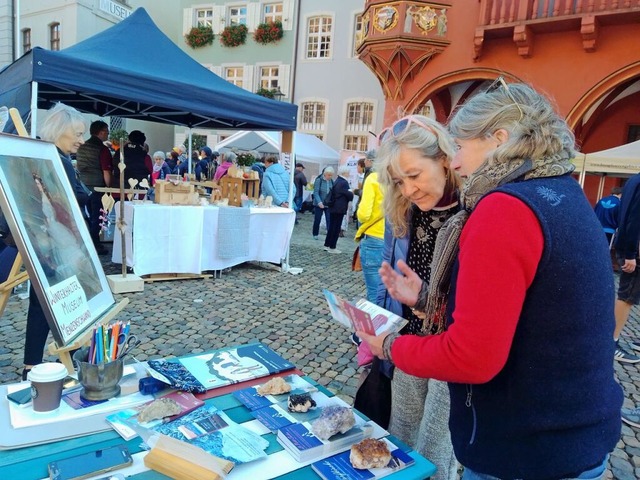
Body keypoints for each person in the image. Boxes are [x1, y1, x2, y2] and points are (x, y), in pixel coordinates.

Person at [359, 80, 623, 479]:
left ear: (499, 138)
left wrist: (390, 346)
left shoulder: (504, 208)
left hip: (526, 446)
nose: (458, 162)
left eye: (461, 147)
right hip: (571, 434)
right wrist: (427, 300)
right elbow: (525, 313)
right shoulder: (562, 191)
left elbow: (472, 356)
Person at [362, 115, 460, 480]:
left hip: (451, 352)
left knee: (435, 452)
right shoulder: (403, 210)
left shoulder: (477, 212)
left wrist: (426, 301)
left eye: (414, 175)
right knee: (399, 437)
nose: (408, 190)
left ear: (445, 160)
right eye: (399, 182)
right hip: (408, 340)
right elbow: (396, 280)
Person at [23, 103, 94, 380]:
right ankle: (67, 361)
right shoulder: (56, 160)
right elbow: (70, 200)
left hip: (45, 241)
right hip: (55, 243)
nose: (82, 139)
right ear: (59, 130)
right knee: (61, 301)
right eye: (77, 132)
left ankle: (31, 365)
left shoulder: (46, 156)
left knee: (40, 303)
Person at [612, 173, 640, 363]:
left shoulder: (633, 180)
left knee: (629, 294)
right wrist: (630, 253)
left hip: (631, 247)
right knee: (627, 296)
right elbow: (634, 218)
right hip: (635, 250)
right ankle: (611, 342)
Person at [75, 120, 111, 254]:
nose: (108, 134)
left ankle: (84, 243)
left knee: (85, 215)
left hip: (82, 185)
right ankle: (95, 245)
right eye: (107, 131)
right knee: (97, 217)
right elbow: (106, 171)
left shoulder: (81, 146)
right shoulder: (102, 149)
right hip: (97, 187)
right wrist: (109, 188)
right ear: (101, 132)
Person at [323, 165, 353, 254]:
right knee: (336, 228)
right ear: (344, 173)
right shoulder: (344, 182)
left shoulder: (337, 180)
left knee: (332, 227)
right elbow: (349, 196)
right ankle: (332, 246)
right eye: (348, 172)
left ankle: (327, 245)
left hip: (334, 207)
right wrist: (351, 192)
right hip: (339, 208)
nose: (349, 174)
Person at [312, 166, 334, 239]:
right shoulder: (319, 180)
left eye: (331, 175)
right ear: (325, 174)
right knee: (317, 219)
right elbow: (316, 192)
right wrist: (319, 202)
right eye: (329, 175)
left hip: (328, 204)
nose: (330, 176)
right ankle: (315, 234)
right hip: (319, 203)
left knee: (329, 219)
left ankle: (329, 234)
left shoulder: (331, 181)